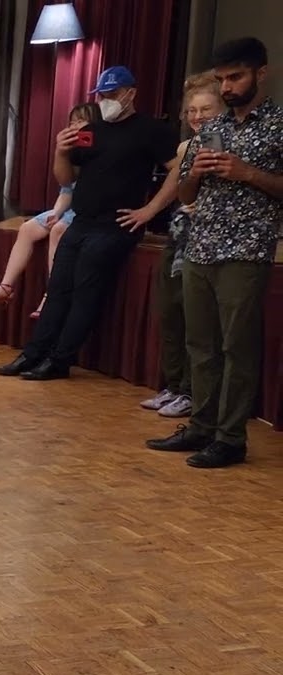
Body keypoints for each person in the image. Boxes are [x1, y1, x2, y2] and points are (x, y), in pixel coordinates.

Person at [0, 66, 179, 381]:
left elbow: (177, 169)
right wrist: (61, 151)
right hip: (81, 220)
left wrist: (149, 210)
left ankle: (59, 359)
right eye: (102, 95)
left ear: (131, 93)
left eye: (112, 94)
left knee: (85, 291)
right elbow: (66, 178)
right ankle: (33, 353)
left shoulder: (150, 129)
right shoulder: (93, 129)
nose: (106, 100)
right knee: (58, 288)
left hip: (116, 224)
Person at [147, 37, 282, 469]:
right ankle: (201, 427)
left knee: (235, 347)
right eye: (221, 79)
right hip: (200, 247)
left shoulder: (278, 124)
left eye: (235, 77)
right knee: (199, 345)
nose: (226, 87)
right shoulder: (213, 128)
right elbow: (184, 191)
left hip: (246, 250)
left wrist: (247, 173)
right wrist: (198, 173)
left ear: (261, 74)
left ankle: (231, 438)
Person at [139, 73, 225, 420]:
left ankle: (192, 391)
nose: (197, 116)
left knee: (196, 321)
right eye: (191, 110)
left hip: (210, 241)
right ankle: (174, 385)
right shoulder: (185, 148)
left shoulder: (230, 147)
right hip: (180, 235)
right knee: (170, 313)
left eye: (205, 109)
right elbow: (176, 189)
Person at [0, 103, 101, 317]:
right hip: (67, 207)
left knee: (58, 231)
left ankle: (51, 294)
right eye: (72, 121)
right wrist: (56, 212)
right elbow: (66, 190)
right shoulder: (70, 150)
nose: (75, 125)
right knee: (27, 228)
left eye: (81, 120)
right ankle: (6, 287)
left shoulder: (102, 150)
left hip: (88, 211)